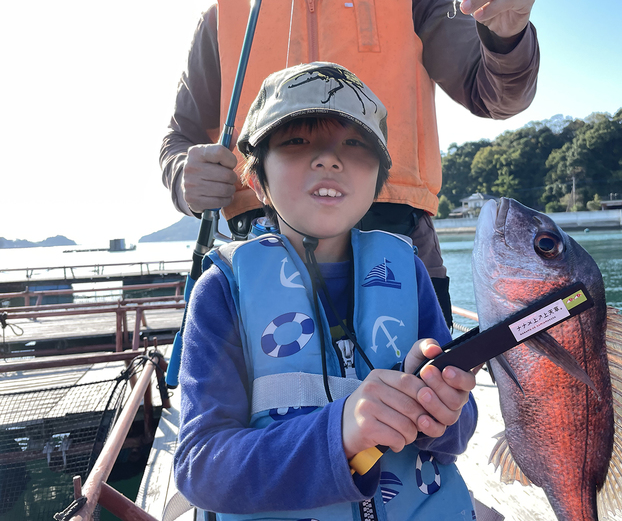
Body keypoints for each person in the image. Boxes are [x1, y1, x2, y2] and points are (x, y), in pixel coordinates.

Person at [160, 0, 540, 326]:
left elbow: (498, 96)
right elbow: (180, 137)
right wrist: (185, 176)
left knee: (425, 387)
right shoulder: (224, 13)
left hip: (404, 256)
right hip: (257, 257)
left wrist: (508, 36)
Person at [174, 61, 480, 521]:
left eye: (355, 144)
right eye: (297, 141)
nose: (329, 159)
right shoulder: (223, 290)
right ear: (257, 181)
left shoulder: (409, 272)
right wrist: (339, 432)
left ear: (378, 182)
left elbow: (462, 426)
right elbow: (201, 467)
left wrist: (440, 408)